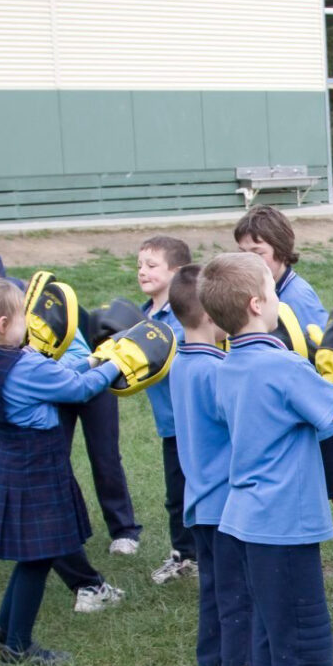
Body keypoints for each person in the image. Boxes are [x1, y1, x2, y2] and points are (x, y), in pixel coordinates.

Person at [198, 252, 333, 666]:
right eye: (273, 293)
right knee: (304, 631)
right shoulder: (281, 364)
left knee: (270, 626)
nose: (281, 300)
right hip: (284, 521)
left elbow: (307, 420)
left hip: (245, 518)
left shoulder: (229, 364)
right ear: (257, 304)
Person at [0, 278, 125, 663]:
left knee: (31, 557)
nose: (29, 327)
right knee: (40, 556)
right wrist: (114, 361)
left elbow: (62, 374)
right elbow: (79, 390)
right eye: (22, 319)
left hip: (14, 464)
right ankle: (18, 646)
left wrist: (91, 358)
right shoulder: (28, 366)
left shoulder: (2, 362)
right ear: (4, 325)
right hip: (40, 472)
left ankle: (2, 628)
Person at [234, 205, 333, 559]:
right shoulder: (260, 294)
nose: (249, 261)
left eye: (257, 253)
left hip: (320, 416)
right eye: (242, 253)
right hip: (293, 413)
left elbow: (325, 354)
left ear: (279, 250)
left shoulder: (295, 296)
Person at [167, 263, 252, 666]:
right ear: (210, 314)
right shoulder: (217, 369)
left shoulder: (181, 364)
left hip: (197, 499)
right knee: (237, 589)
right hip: (225, 502)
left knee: (213, 586)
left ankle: (209, 661)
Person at [136, 234, 198, 584]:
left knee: (191, 490)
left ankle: (190, 554)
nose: (143, 271)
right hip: (170, 423)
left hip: (191, 421)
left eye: (151, 265)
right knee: (176, 493)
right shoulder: (144, 313)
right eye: (139, 266)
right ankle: (185, 553)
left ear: (177, 271)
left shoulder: (182, 316)